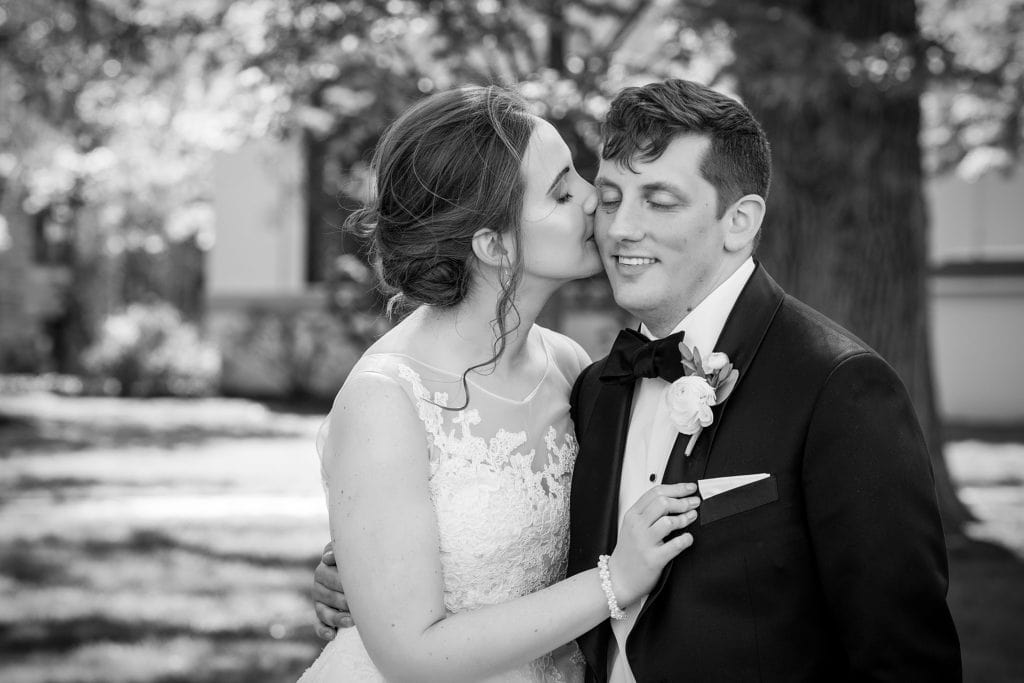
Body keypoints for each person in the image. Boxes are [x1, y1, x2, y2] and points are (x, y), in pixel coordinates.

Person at [314, 79, 963, 681]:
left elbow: (904, 656)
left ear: (740, 221)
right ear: (492, 243)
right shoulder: (586, 385)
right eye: (577, 191)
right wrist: (375, 570)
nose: (608, 213)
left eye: (657, 199)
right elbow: (422, 606)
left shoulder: (832, 388)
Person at [297, 85, 701, 682]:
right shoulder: (387, 401)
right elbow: (412, 655)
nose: (595, 200)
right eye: (562, 191)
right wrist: (614, 581)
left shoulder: (566, 364)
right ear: (492, 243)